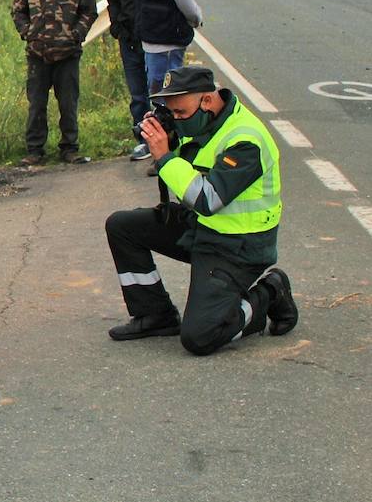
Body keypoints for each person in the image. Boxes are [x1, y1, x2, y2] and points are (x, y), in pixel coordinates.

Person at [104, 65, 297, 354]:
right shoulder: (202, 121)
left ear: (207, 101)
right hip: (203, 229)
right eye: (171, 112)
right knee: (122, 226)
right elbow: (191, 156)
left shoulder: (246, 140)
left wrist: (164, 157)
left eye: (180, 113)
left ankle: (270, 292)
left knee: (200, 337)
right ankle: (156, 315)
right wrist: (167, 133)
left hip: (239, 246)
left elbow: (208, 200)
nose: (177, 119)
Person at [11, 0, 97, 165]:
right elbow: (18, 10)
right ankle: (35, 150)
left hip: (67, 52)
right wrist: (27, 33)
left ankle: (69, 148)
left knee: (68, 103)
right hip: (37, 53)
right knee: (36, 104)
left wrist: (76, 34)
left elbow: (89, 11)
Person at [107, 0, 151, 161]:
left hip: (154, 41)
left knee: (158, 92)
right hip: (129, 40)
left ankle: (165, 140)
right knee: (138, 95)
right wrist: (117, 27)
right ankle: (143, 139)